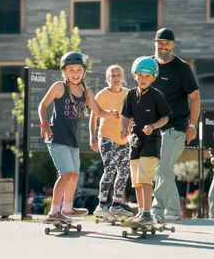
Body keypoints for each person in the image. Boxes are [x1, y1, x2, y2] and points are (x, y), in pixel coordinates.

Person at [38, 51, 119, 223]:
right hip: (56, 137)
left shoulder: (86, 91)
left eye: (78, 70)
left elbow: (98, 111)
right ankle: (54, 212)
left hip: (72, 140)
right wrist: (44, 123)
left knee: (74, 174)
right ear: (64, 72)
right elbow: (42, 105)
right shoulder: (59, 87)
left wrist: (110, 113)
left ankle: (68, 208)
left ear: (84, 71)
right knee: (66, 174)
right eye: (71, 70)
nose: (75, 73)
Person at [151, 28, 200, 224]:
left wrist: (193, 125)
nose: (163, 47)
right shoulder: (148, 65)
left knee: (163, 167)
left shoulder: (181, 68)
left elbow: (195, 98)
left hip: (176, 126)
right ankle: (173, 212)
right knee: (163, 169)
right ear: (155, 43)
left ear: (173, 45)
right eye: (160, 42)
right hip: (153, 128)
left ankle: (155, 210)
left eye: (168, 43)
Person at [120, 56, 171, 226]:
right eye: (140, 75)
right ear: (134, 75)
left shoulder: (157, 95)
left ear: (153, 77)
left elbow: (165, 118)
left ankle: (147, 214)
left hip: (151, 141)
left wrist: (153, 126)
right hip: (134, 141)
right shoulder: (130, 94)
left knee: (145, 177)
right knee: (136, 180)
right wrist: (124, 129)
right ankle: (142, 212)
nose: (143, 79)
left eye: (147, 76)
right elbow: (126, 115)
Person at [89, 65, 133, 218]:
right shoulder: (102, 95)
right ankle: (101, 205)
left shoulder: (129, 94)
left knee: (124, 171)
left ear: (122, 77)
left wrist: (131, 132)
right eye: (112, 75)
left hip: (124, 139)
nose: (115, 78)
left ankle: (116, 205)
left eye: (118, 75)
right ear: (107, 78)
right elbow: (93, 117)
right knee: (111, 168)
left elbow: (133, 115)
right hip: (106, 137)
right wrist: (93, 137)